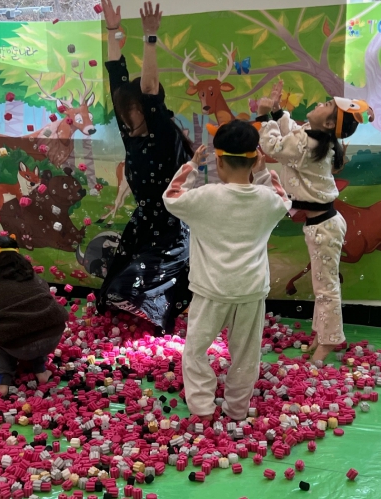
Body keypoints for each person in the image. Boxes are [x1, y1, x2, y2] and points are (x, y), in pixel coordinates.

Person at [163, 120, 291, 422]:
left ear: (219, 161)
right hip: (250, 291)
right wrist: (263, 173)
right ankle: (236, 409)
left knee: (195, 351)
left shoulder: (205, 198)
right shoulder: (268, 202)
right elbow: (283, 199)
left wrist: (192, 166)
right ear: (255, 159)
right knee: (246, 355)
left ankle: (203, 409)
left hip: (211, 291)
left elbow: (172, 196)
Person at [257, 81, 374, 362]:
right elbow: (291, 134)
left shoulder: (308, 144)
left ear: (330, 123)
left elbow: (274, 145)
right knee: (322, 284)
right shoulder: (312, 136)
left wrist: (263, 116)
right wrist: (278, 112)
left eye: (327, 105)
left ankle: (330, 340)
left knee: (326, 287)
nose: (321, 103)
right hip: (322, 224)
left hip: (324, 226)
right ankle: (323, 335)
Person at [97, 0, 194, 334]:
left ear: (144, 110)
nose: (124, 117)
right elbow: (116, 78)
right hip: (144, 224)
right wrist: (113, 31)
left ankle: (163, 306)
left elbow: (149, 89)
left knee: (127, 290)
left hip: (170, 227)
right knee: (111, 294)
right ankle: (155, 306)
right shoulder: (132, 134)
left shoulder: (163, 133)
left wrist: (149, 37)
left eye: (131, 110)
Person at [0, 235, 67, 395]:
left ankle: (2, 382)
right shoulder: (33, 276)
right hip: (52, 335)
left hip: (18, 344)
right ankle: (41, 371)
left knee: (4, 340)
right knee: (35, 325)